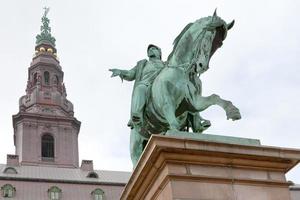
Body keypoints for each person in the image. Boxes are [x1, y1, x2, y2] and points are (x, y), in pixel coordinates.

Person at [109, 44, 165, 131]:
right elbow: (130, 74)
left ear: (159, 53)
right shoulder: (142, 64)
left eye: (154, 49)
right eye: (149, 50)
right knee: (140, 88)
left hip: (162, 87)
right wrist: (120, 72)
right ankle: (136, 116)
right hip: (146, 85)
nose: (150, 50)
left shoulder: (165, 64)